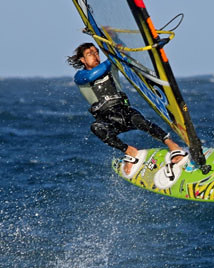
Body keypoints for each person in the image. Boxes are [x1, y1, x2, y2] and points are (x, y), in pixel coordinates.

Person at [68, 42, 186, 179]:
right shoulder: (80, 77)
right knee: (96, 127)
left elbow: (124, 56)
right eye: (90, 54)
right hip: (107, 119)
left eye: (96, 52)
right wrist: (113, 58)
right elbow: (91, 76)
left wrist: (116, 51)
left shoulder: (111, 67)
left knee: (139, 120)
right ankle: (130, 151)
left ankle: (173, 146)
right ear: (82, 60)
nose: (95, 56)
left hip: (123, 112)